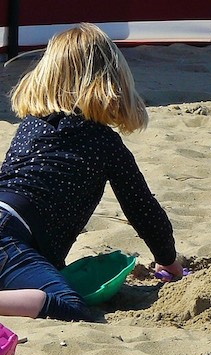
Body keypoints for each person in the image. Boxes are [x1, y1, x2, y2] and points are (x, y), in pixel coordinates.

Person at [0, 23, 183, 321]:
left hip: (11, 226)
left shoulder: (31, 125)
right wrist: (169, 261)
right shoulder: (104, 143)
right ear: (113, 82)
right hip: (9, 239)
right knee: (68, 304)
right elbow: (142, 209)